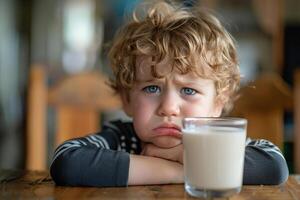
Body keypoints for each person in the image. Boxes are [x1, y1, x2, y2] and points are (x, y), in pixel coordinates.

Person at [50, 0, 289, 187]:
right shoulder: (122, 139)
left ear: (218, 103)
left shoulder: (220, 142)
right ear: (126, 99)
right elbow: (67, 161)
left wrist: (180, 154)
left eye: (188, 90)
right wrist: (180, 171)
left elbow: (273, 165)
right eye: (152, 88)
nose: (168, 107)